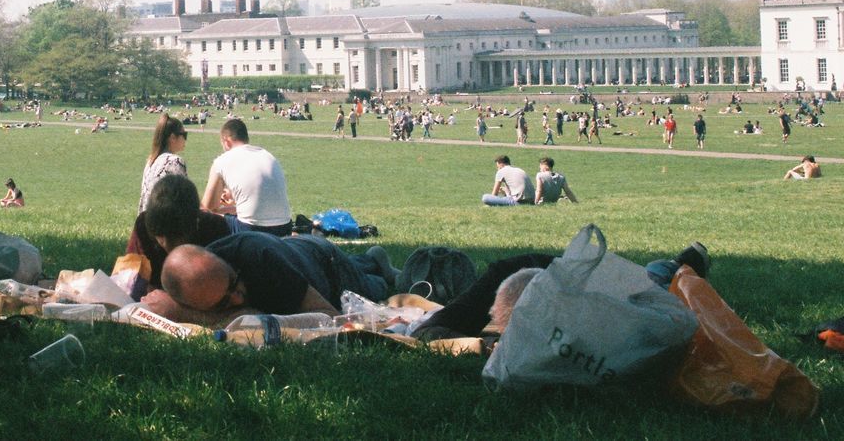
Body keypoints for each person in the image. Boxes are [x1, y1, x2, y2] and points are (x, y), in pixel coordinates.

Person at [410, 243, 710, 341]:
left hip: (534, 277)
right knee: (646, 280)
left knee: (645, 283)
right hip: (544, 278)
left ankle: (677, 267)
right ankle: (677, 266)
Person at [150, 231, 396, 324]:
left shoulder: (261, 262)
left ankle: (376, 263)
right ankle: (366, 261)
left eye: (233, 283)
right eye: (222, 303)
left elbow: (331, 317)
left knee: (377, 290)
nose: (237, 298)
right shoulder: (197, 280)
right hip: (291, 253)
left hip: (325, 264)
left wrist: (187, 316)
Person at [127, 174, 230, 291]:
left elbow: (225, 291)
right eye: (160, 237)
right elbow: (130, 277)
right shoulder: (143, 225)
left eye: (176, 237)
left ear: (196, 222)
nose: (166, 244)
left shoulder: (215, 229)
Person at [201, 118, 292, 236]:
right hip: (285, 227)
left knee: (204, 215)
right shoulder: (267, 155)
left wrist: (224, 207)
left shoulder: (222, 161)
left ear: (226, 141)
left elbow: (208, 207)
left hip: (251, 229)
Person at [140, 114, 188, 213]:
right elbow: (186, 199)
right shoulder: (174, 161)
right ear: (173, 137)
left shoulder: (151, 161)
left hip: (146, 222)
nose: (185, 139)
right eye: (184, 135)